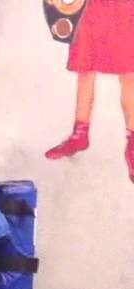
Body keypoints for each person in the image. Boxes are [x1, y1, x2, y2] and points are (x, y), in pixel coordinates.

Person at [41, 0, 134, 182]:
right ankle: (80, 135)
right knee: (85, 66)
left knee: (129, 72)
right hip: (92, 6)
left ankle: (133, 143)